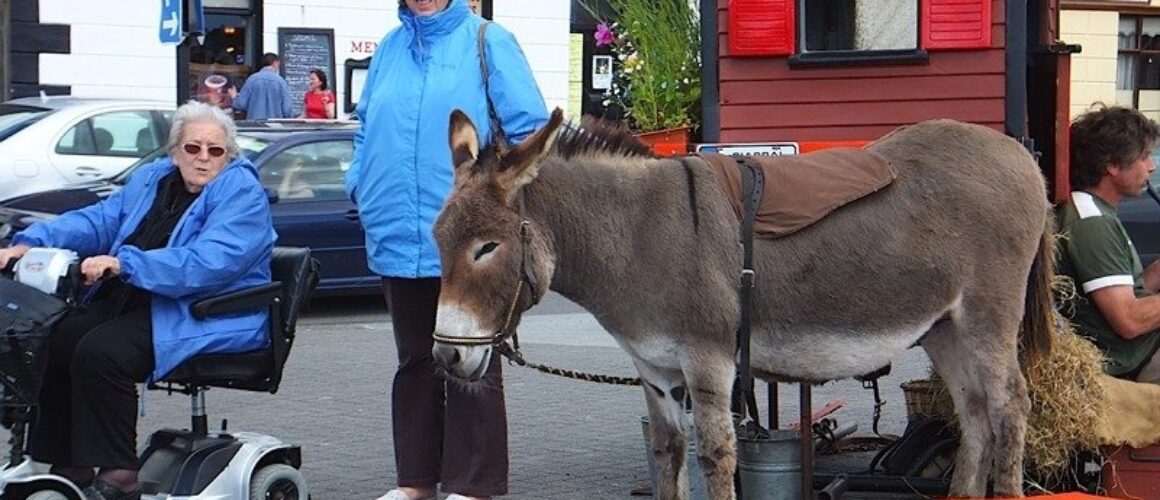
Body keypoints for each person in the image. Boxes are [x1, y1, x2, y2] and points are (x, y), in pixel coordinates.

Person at [0, 101, 276, 500]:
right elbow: (98, 220)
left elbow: (211, 262)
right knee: (55, 336)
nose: (203, 159)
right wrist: (29, 244)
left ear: (228, 155)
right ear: (174, 150)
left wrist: (124, 263)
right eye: (193, 148)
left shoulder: (241, 194)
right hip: (145, 299)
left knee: (102, 352)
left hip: (208, 310)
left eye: (215, 151)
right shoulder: (153, 179)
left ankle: (120, 472)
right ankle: (68, 462)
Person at [344, 0, 548, 498]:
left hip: (465, 238)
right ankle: (416, 481)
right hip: (397, 230)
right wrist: (358, 180)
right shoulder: (391, 47)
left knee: (472, 359)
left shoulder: (487, 41)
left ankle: (472, 483)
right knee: (414, 359)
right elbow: (367, 124)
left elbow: (530, 131)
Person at [1057, 104, 1160, 384]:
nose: (1151, 166)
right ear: (1112, 165)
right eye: (1144, 157)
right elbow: (1129, 320)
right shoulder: (1091, 223)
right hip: (1133, 359)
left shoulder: (1097, 212)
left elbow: (1132, 294)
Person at [229, 53, 294, 120]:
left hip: (255, 126)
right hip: (276, 126)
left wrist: (234, 97)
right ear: (275, 63)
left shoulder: (252, 80)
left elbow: (241, 104)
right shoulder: (281, 82)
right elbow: (287, 110)